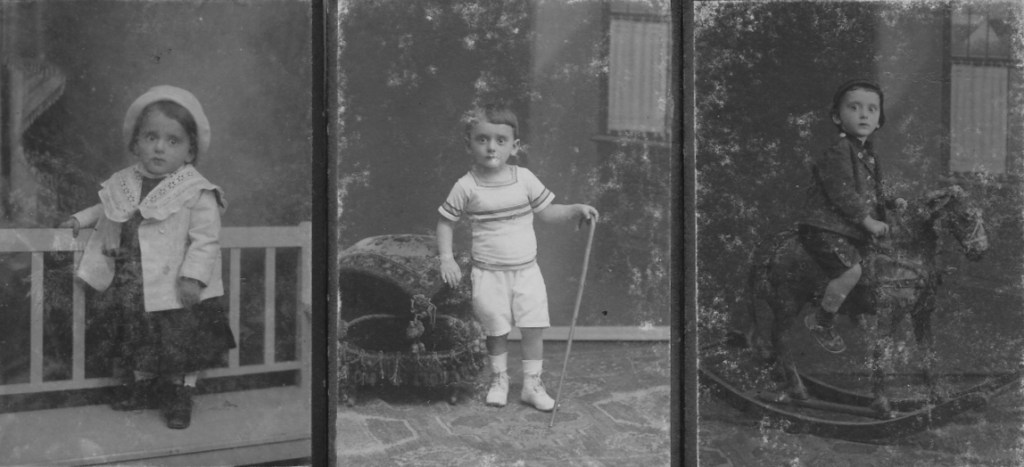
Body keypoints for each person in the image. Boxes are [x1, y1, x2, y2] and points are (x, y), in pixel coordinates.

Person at [60, 85, 234, 429]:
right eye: (151, 137)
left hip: (176, 284)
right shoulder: (125, 182)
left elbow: (206, 239)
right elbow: (107, 208)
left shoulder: (196, 190)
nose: (159, 147)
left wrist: (193, 278)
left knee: (179, 341)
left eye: (173, 141)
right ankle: (143, 387)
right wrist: (79, 220)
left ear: (189, 151)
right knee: (139, 336)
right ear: (135, 143)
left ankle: (180, 394)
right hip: (136, 280)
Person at [436, 105, 598, 411]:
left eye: (500, 140)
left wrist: (575, 209)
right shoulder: (466, 186)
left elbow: (547, 212)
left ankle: (532, 385)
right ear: (468, 144)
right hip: (488, 273)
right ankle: (499, 379)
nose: (491, 147)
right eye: (482, 139)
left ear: (515, 146)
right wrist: (447, 258)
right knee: (495, 330)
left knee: (533, 327)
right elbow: (446, 222)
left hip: (526, 272)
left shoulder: (524, 178)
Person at [799, 79, 892, 354]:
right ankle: (821, 320)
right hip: (824, 227)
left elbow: (874, 193)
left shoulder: (869, 155)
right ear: (837, 117)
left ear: (879, 120)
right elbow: (843, 193)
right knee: (851, 270)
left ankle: (855, 313)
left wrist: (892, 203)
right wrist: (869, 222)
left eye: (872, 109)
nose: (864, 115)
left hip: (848, 228)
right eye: (854, 107)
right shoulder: (839, 151)